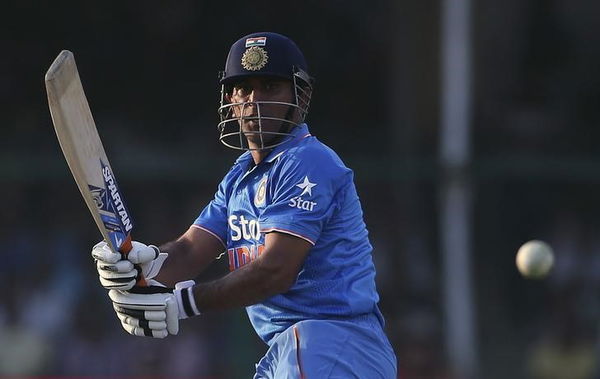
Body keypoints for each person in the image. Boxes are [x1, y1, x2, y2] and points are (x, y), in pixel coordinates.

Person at [92, 32, 398, 378]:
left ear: (301, 96)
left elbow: (275, 271)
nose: (254, 101)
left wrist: (181, 303)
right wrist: (138, 270)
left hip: (335, 341)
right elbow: (189, 251)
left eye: (270, 87)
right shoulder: (240, 178)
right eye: (243, 88)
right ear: (230, 100)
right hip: (288, 350)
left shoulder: (308, 160)